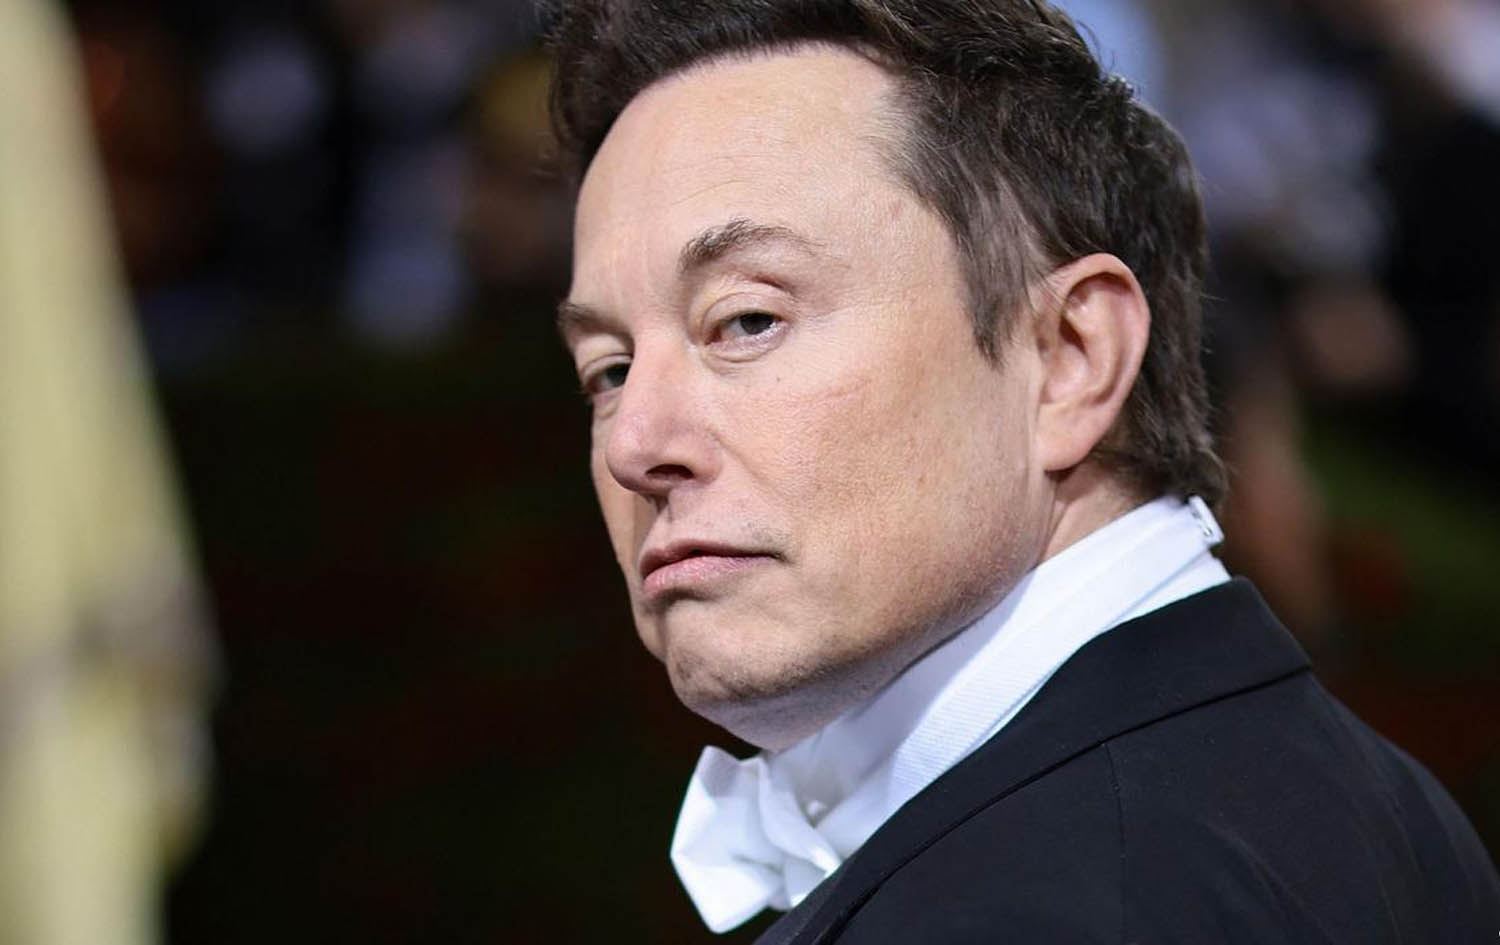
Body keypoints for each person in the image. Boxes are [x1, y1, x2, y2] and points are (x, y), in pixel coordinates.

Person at [544, 1, 1500, 941]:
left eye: (748, 320)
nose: (634, 445)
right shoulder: (1351, 799)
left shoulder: (1062, 898)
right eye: (609, 371)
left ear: (1070, 357)